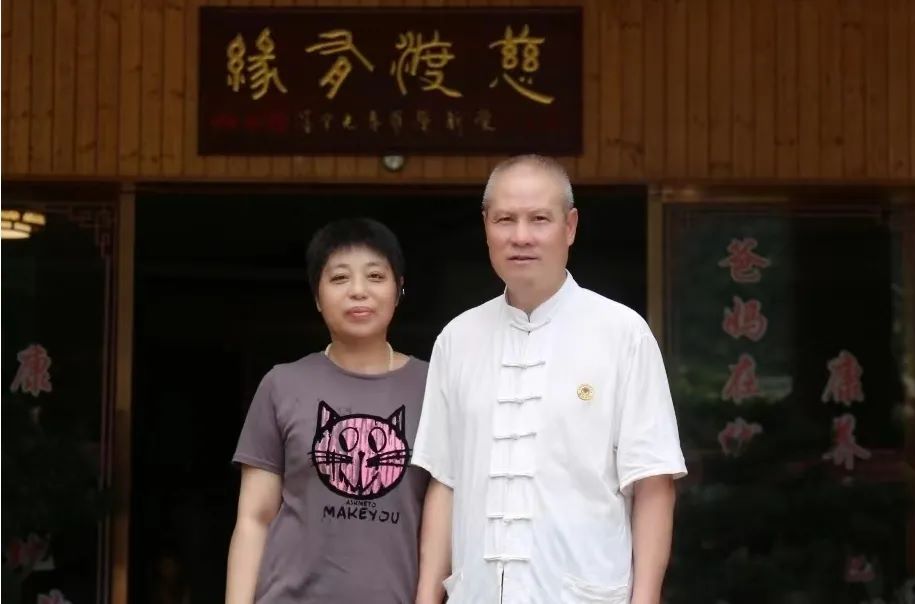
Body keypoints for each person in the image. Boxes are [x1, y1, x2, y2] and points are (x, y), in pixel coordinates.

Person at [411, 155, 687, 604]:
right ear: (486, 227)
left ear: (570, 226)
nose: (521, 236)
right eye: (505, 219)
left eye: (539, 219)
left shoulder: (622, 333)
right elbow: (445, 482)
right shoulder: (457, 339)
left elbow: (653, 483)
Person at [226, 218, 430, 604]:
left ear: (399, 289)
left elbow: (444, 518)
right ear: (317, 296)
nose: (358, 291)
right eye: (339, 278)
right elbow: (254, 519)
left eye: (375, 276)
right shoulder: (282, 385)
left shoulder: (434, 387)